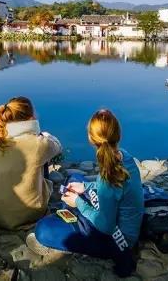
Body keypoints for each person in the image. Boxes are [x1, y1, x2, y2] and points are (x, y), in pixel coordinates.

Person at [28, 109, 144, 277]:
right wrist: (86, 188)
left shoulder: (109, 175)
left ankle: (71, 216)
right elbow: (110, 191)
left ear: (91, 138)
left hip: (118, 239)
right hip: (115, 216)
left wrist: (79, 203)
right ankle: (71, 214)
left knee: (42, 230)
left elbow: (106, 225)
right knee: (75, 179)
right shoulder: (123, 155)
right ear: (117, 133)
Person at [0, 96, 62, 230]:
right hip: (27, 214)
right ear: (31, 116)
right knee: (41, 159)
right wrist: (42, 134)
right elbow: (58, 146)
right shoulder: (37, 143)